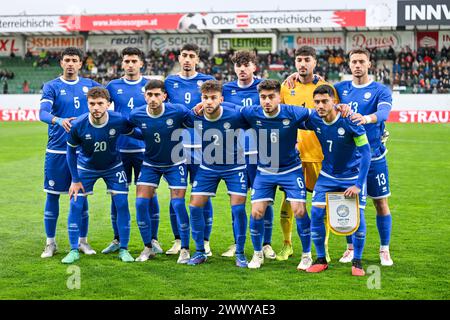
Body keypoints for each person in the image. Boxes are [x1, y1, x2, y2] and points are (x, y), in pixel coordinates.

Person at [240, 79, 313, 270]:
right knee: (256, 211)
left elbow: (320, 114)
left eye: (271, 97)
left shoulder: (292, 112)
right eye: (263, 97)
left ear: (279, 97)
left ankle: (307, 255)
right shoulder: (251, 113)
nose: (267, 101)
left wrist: (342, 109)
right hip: (265, 171)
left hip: (291, 169)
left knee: (299, 210)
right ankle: (257, 254)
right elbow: (230, 110)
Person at [61, 87, 136, 264]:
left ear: (108, 105)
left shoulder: (118, 120)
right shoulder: (78, 124)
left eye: (100, 103)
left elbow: (137, 133)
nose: (96, 107)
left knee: (122, 204)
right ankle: (73, 249)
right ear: (87, 104)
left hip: (114, 167)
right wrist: (75, 180)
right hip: (86, 168)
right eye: (92, 103)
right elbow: (70, 153)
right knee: (76, 205)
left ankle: (124, 248)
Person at [277, 46, 338, 262]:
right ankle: (287, 245)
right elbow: (280, 118)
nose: (303, 64)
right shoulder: (286, 86)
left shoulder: (326, 87)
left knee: (322, 205)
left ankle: (324, 247)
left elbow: (334, 118)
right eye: (299, 59)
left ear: (315, 62)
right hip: (293, 156)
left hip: (321, 155)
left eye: (307, 60)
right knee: (289, 201)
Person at [38, 47, 100, 258]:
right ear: (61, 63)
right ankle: (50, 243)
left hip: (83, 150)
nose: (71, 63)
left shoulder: (90, 85)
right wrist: (58, 120)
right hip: (56, 148)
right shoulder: (51, 86)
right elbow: (43, 113)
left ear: (81, 64)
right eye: (67, 60)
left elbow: (105, 103)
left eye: (75, 60)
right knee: (53, 195)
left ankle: (82, 241)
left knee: (80, 197)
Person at [334, 48, 394, 266]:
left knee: (380, 203)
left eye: (361, 61)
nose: (357, 65)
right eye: (354, 61)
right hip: (349, 159)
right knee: (349, 204)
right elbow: (318, 91)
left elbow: (384, 114)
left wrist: (365, 119)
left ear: (369, 64)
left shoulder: (381, 90)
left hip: (375, 156)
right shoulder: (340, 89)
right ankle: (350, 249)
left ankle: (384, 249)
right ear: (349, 65)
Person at [303, 84, 371, 276]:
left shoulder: (350, 121)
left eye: (325, 101)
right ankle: (320, 259)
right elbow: (294, 116)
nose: (320, 105)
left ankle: (357, 262)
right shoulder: (315, 118)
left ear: (335, 102)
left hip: (351, 177)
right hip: (327, 176)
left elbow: (366, 153)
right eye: (317, 102)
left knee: (357, 218)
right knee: (316, 214)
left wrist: (358, 185)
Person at [102, 47, 163, 255]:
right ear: (122, 63)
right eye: (126, 61)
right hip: (118, 150)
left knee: (149, 193)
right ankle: (117, 239)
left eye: (133, 61)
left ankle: (153, 239)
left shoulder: (150, 87)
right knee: (116, 194)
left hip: (145, 150)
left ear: (141, 64)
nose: (130, 64)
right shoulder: (112, 86)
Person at [186, 80, 249, 267]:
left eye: (213, 98)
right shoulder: (196, 116)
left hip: (234, 167)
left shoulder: (235, 114)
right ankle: (199, 251)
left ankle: (240, 252)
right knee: (195, 206)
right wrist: (193, 108)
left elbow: (253, 118)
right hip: (207, 167)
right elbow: (183, 116)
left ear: (221, 99)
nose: (209, 102)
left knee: (238, 209)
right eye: (205, 98)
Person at [128, 80, 191, 264]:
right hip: (150, 163)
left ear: (164, 96)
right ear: (144, 96)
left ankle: (185, 248)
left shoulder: (177, 110)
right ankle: (148, 247)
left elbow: (194, 121)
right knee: (140, 204)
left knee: (178, 204)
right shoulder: (137, 114)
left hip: (175, 162)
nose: (153, 98)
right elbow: (130, 129)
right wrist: (144, 135)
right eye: (149, 95)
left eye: (157, 95)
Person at [221, 50, 276, 260]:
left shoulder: (265, 87)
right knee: (237, 202)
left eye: (247, 64)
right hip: (235, 155)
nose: (242, 69)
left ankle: (267, 244)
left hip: (262, 152)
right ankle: (238, 243)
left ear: (255, 66)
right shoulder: (226, 89)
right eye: (238, 65)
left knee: (264, 199)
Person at [164, 44, 215, 256]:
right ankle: (178, 240)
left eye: (191, 56)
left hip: (202, 146)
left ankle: (205, 241)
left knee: (203, 195)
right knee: (175, 194)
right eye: (184, 55)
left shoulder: (207, 81)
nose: (187, 59)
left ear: (197, 59)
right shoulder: (169, 82)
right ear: (179, 58)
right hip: (177, 145)